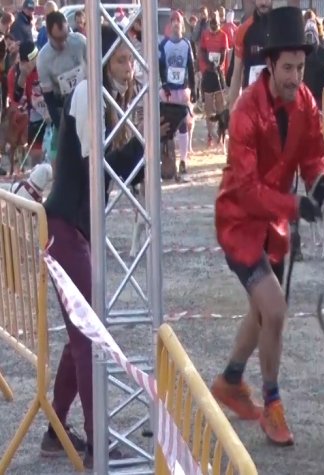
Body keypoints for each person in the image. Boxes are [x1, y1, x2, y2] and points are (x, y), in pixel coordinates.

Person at [42, 25, 168, 468]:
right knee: (89, 335)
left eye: (131, 60)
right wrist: (143, 144)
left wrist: (150, 142)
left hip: (75, 228)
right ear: (101, 61)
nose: (128, 68)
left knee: (81, 332)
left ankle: (55, 429)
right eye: (120, 60)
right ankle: (96, 438)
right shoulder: (87, 96)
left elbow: (116, 176)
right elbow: (102, 170)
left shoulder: (111, 99)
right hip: (64, 225)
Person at [210, 6, 324, 447]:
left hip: (275, 225)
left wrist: (321, 181)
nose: (295, 76)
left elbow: (314, 152)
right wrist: (298, 205)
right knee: (275, 309)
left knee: (262, 310)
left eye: (301, 67)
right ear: (270, 64)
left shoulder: (306, 101)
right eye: (287, 68)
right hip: (240, 225)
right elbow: (245, 190)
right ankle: (273, 404)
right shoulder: (245, 110)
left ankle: (230, 380)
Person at [159, 12, 196, 179]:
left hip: (182, 90)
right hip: (168, 91)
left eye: (178, 21)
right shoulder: (164, 44)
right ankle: (168, 161)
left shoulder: (187, 44)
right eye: (173, 21)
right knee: (167, 127)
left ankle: (183, 160)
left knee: (183, 125)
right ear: (170, 24)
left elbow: (191, 68)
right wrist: (164, 84)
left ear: (182, 25)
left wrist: (193, 89)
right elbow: (160, 66)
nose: (175, 24)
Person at [8, 40, 47, 166]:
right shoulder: (20, 69)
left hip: (51, 108)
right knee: (35, 153)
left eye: (27, 63)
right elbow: (16, 97)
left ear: (34, 58)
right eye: (22, 63)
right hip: (35, 111)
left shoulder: (45, 63)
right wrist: (22, 76)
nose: (25, 66)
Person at [228, 0, 272, 105]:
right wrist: (232, 111)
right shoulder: (243, 30)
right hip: (251, 102)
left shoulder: (280, 28)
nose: (263, 2)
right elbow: (237, 73)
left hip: (274, 103)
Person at [198, 10, 229, 146]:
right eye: (212, 23)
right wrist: (209, 65)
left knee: (221, 105)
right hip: (208, 73)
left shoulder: (223, 35)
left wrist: (218, 65)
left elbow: (224, 53)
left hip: (219, 73)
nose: (214, 26)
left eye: (216, 23)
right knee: (209, 106)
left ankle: (221, 133)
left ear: (219, 23)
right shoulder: (205, 35)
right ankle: (210, 134)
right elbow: (203, 52)